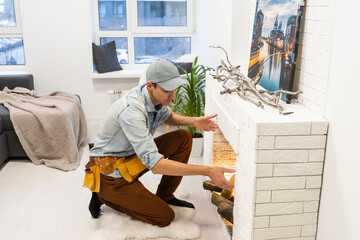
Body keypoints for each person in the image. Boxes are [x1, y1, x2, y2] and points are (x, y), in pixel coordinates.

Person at [84, 59, 235, 227]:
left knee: (182, 138)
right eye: (167, 91)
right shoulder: (132, 110)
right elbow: (155, 165)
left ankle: (165, 194)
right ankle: (101, 195)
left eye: (174, 89)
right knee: (164, 217)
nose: (173, 96)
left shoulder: (152, 97)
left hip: (129, 157)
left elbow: (166, 116)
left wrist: (195, 122)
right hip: (111, 174)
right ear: (150, 85)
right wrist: (207, 171)